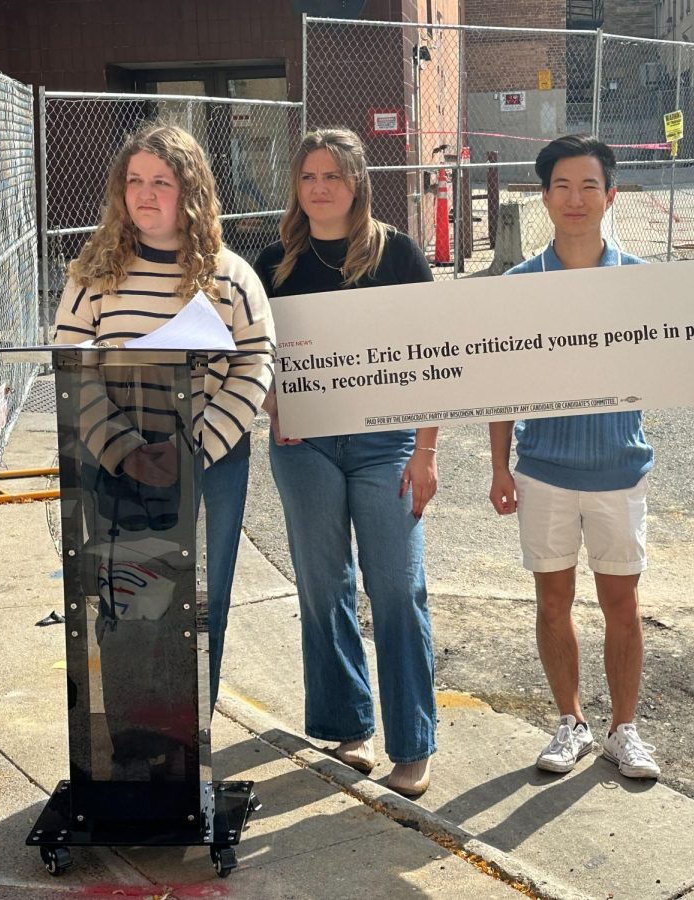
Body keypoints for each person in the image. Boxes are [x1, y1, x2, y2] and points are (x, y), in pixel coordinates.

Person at [489, 134, 694, 780]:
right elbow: (498, 387)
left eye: (589, 186)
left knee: (621, 605)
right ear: (543, 196)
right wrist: (499, 466)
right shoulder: (516, 287)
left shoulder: (642, 285)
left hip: (618, 469)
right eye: (562, 187)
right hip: (542, 470)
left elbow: (683, 366)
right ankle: (570, 722)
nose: (576, 199)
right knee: (552, 603)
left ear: (611, 196)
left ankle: (622, 729)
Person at [53, 122, 275, 712]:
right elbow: (75, 367)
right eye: (134, 181)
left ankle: (188, 736)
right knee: (125, 598)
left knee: (200, 600)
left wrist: (192, 449)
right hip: (117, 465)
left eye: (162, 182)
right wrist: (125, 447)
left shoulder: (230, 276)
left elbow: (255, 363)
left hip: (208, 463)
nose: (145, 194)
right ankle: (128, 731)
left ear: (192, 192)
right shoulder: (92, 274)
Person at [253, 128, 438, 797]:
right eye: (308, 177)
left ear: (357, 181)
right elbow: (253, 352)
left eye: (333, 175)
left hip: (386, 443)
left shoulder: (398, 254)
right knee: (322, 584)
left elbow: (434, 357)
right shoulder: (275, 260)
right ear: (297, 188)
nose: (320, 188)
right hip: (305, 448)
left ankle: (413, 743)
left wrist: (427, 451)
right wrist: (273, 400)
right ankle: (346, 724)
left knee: (395, 586)